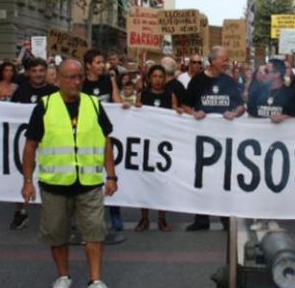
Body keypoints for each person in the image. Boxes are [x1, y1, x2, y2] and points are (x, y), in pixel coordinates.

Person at [21, 59, 118, 288]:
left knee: (95, 232)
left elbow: (106, 140)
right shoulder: (45, 106)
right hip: (55, 184)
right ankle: (63, 276)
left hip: (89, 182)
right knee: (57, 233)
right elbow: (31, 145)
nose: (77, 82)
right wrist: (27, 181)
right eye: (71, 77)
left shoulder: (94, 104)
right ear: (58, 80)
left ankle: (95, 281)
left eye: (80, 77)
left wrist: (111, 174)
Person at [182, 46, 245, 231]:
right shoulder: (197, 81)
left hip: (224, 141)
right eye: (224, 60)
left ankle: (226, 219)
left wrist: (235, 113)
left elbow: (241, 107)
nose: (227, 63)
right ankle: (201, 219)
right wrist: (194, 112)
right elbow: (185, 105)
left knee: (224, 179)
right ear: (213, 61)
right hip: (202, 140)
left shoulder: (229, 81)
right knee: (202, 178)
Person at [8, 57, 58, 230]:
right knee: (22, 174)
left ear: (46, 72)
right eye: (34, 71)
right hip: (25, 141)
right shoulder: (20, 91)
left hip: (49, 142)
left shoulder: (55, 92)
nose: (38, 74)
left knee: (50, 177)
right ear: (28, 72)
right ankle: (20, 212)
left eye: (41, 70)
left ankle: (53, 215)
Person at [81, 49, 123, 231]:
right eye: (97, 62)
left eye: (102, 62)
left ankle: (115, 212)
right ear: (88, 65)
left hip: (107, 134)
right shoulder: (80, 83)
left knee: (112, 170)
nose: (102, 66)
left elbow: (117, 100)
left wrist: (130, 107)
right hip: (86, 136)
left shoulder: (108, 80)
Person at [133, 65, 176, 231]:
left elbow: (174, 116)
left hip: (163, 145)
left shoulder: (169, 95)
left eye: (160, 76)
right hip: (146, 143)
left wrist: (176, 112)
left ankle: (162, 218)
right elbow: (136, 117)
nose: (157, 80)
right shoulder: (142, 95)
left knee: (161, 183)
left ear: (164, 79)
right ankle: (144, 218)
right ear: (149, 79)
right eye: (155, 76)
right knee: (144, 182)